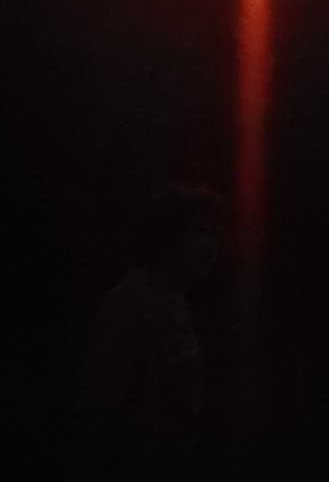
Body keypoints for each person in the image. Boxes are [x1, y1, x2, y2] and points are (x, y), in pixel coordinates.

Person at [77, 184, 226, 480]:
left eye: (214, 234)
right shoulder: (132, 302)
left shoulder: (175, 297)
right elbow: (108, 409)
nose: (212, 246)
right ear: (168, 236)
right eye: (199, 232)